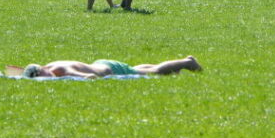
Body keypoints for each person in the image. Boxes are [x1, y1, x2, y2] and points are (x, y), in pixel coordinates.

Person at [22, 56, 202, 79]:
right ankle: (175, 66)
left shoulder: (61, 71)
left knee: (154, 72)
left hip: (109, 70)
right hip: (103, 64)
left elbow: (88, 78)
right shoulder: (52, 64)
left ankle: (186, 62)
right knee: (136, 68)